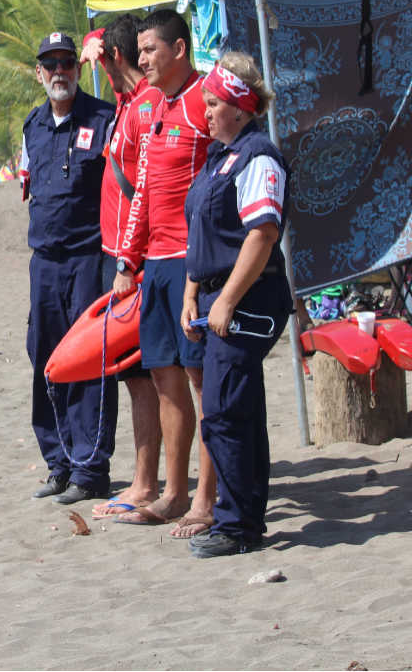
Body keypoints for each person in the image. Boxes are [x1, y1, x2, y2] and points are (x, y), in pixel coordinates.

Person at [180, 53, 292, 558]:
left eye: (214, 102)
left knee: (225, 408)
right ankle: (240, 516)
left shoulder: (258, 156)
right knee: (235, 407)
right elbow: (201, 233)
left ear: (242, 108)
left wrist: (225, 299)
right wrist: (191, 293)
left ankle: (237, 524)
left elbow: (262, 235)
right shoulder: (216, 157)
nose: (205, 111)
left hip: (249, 295)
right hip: (214, 294)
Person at [111, 9, 217, 538]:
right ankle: (174, 492)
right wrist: (127, 261)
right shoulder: (155, 108)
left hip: (196, 266)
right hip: (157, 264)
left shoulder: (206, 102)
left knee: (203, 382)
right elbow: (144, 193)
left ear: (180, 50)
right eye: (141, 50)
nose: (142, 58)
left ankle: (205, 499)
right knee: (165, 379)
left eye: (150, 49)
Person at [22, 31, 118, 505]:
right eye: (50, 64)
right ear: (38, 72)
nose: (59, 71)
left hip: (88, 262)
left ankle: (90, 469)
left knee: (88, 363)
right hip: (44, 264)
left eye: (66, 62)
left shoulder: (103, 119)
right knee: (44, 360)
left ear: (77, 70)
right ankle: (58, 464)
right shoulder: (32, 126)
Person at [79, 18, 164, 520]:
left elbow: (148, 189)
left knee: (146, 377)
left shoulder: (147, 105)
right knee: (136, 376)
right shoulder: (128, 104)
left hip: (138, 259)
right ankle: (145, 478)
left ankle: (147, 482)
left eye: (102, 60)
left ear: (114, 57)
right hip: (120, 254)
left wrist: (128, 262)